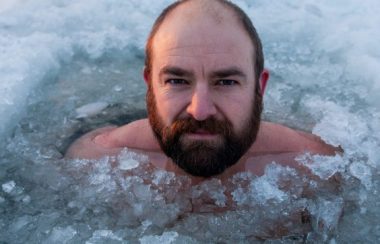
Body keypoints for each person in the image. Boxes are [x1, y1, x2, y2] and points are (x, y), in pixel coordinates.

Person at [65, 0, 337, 182]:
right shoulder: (97, 160)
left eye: (226, 82)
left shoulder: (317, 167)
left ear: (259, 87)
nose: (200, 110)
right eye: (176, 81)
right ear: (150, 86)